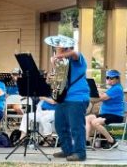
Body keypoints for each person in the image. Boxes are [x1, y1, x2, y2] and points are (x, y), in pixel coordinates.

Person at [45, 34, 89, 162]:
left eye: (58, 48)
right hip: (63, 98)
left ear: (65, 49)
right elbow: (55, 80)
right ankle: (67, 150)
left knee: (76, 126)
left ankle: (80, 153)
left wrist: (57, 56)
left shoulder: (77, 59)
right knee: (60, 125)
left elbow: (75, 53)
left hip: (77, 97)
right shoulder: (61, 62)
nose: (56, 50)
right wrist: (50, 76)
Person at [85, 69, 124, 149]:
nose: (109, 79)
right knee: (88, 118)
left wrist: (87, 96)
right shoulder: (111, 88)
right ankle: (86, 142)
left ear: (117, 79)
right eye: (107, 77)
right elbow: (99, 97)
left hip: (116, 115)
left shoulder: (117, 88)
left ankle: (112, 141)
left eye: (111, 78)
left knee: (95, 122)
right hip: (106, 114)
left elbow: (100, 98)